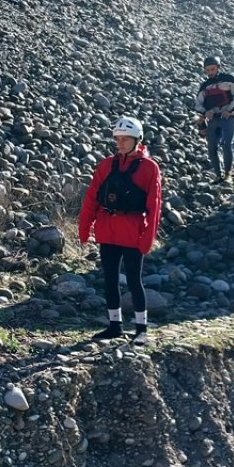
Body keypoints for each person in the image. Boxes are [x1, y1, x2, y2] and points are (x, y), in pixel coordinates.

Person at [78, 117, 162, 346]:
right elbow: (92, 197)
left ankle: (141, 329)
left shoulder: (149, 168)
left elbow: (154, 206)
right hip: (108, 231)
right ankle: (114, 325)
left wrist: (147, 238)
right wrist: (84, 229)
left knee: (135, 280)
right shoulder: (106, 165)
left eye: (125, 139)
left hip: (132, 231)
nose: (120, 143)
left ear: (137, 139)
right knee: (110, 279)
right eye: (118, 139)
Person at [194, 56, 234, 183]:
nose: (210, 72)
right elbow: (198, 104)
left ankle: (228, 174)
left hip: (229, 116)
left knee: (227, 144)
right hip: (213, 118)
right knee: (211, 147)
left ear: (218, 67)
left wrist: (229, 110)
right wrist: (206, 112)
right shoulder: (205, 86)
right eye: (208, 70)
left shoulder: (229, 79)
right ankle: (218, 175)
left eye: (212, 69)